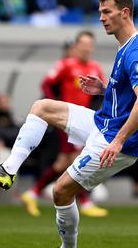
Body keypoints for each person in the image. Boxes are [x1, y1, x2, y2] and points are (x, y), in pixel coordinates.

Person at [0, 0, 138, 248]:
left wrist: (118, 141)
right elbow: (132, 94)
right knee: (42, 107)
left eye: (107, 12)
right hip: (103, 122)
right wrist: (106, 90)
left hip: (117, 140)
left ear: (125, 13)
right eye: (100, 12)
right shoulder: (126, 46)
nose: (102, 18)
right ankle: (8, 170)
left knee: (61, 191)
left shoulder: (136, 51)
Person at [20, 31, 108, 218]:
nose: (86, 47)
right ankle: (84, 201)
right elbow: (46, 84)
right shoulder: (65, 64)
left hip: (84, 121)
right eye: (83, 43)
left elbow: (101, 95)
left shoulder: (95, 68)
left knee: (65, 162)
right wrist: (56, 106)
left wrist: (95, 113)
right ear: (76, 46)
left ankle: (32, 193)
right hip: (67, 121)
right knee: (78, 159)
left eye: (89, 44)